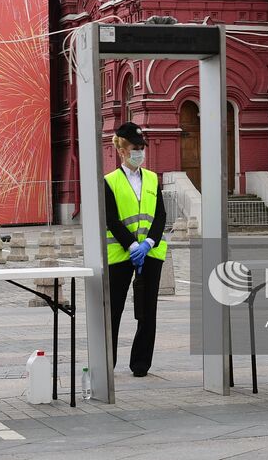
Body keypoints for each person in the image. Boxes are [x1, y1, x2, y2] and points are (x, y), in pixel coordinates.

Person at [103, 122, 167, 378]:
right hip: (120, 254)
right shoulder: (110, 181)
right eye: (134, 148)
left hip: (150, 252)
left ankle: (141, 363)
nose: (139, 152)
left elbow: (160, 216)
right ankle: (108, 360)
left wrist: (148, 243)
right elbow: (112, 219)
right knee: (113, 310)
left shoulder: (152, 178)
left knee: (147, 310)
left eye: (142, 148)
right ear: (121, 149)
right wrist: (131, 246)